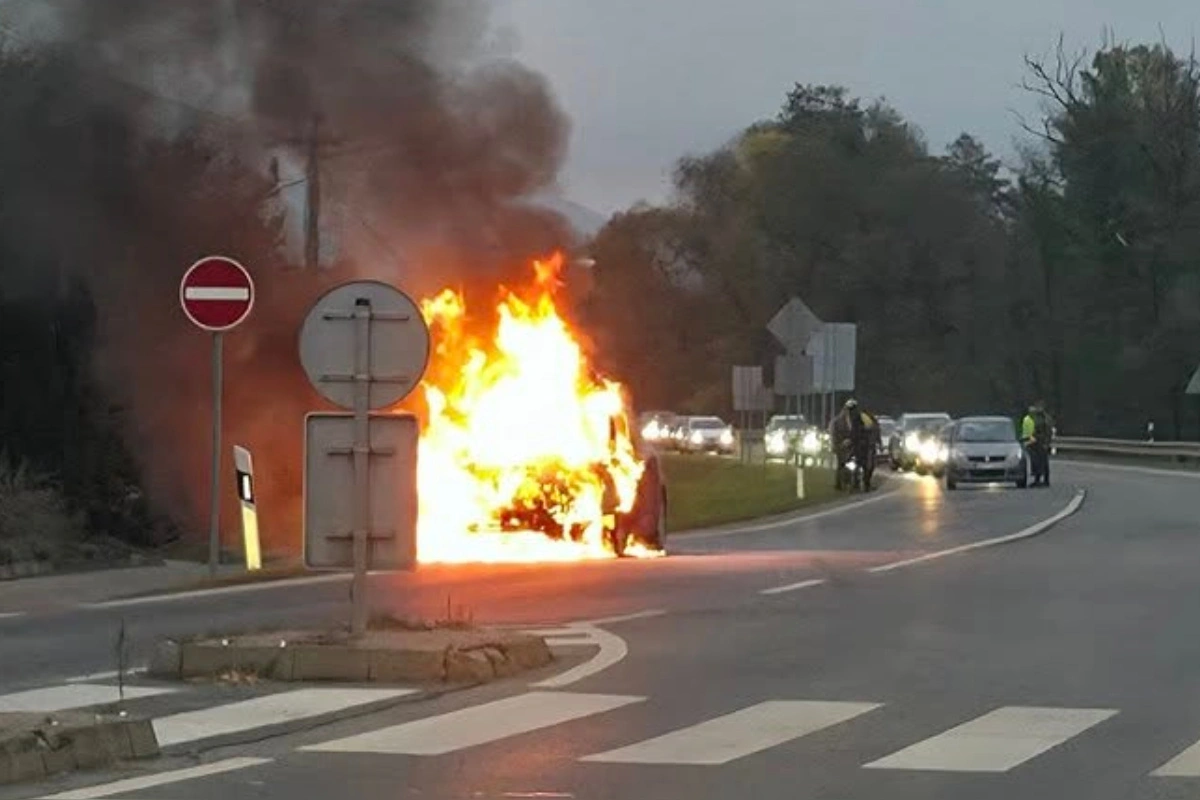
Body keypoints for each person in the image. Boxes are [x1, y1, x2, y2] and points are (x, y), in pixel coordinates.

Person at [1021, 401, 1054, 487]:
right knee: (1037, 462)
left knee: (1043, 462)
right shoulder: (1037, 418)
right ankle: (1037, 479)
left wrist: (1046, 443)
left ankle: (1045, 480)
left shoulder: (1045, 418)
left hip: (1042, 443)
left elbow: (1048, 432)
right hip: (1036, 442)